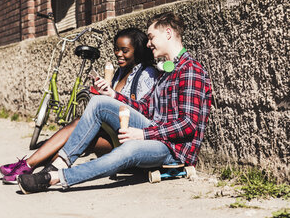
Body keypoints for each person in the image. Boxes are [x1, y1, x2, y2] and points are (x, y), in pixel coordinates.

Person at [16, 11, 213, 194]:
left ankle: (54, 178)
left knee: (128, 149)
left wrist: (143, 134)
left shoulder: (190, 70)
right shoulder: (166, 70)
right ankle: (60, 163)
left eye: (151, 37)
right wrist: (113, 95)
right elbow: (146, 108)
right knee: (100, 101)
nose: (148, 44)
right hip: (155, 132)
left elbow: (188, 125)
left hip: (173, 150)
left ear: (168, 33)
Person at [0, 28, 159, 184]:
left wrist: (113, 96)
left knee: (77, 125)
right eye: (116, 49)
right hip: (112, 134)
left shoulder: (147, 73)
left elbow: (144, 110)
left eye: (125, 50)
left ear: (138, 52)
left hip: (132, 139)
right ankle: (37, 170)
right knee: (79, 130)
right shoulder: (120, 72)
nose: (118, 54)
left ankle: (28, 165)